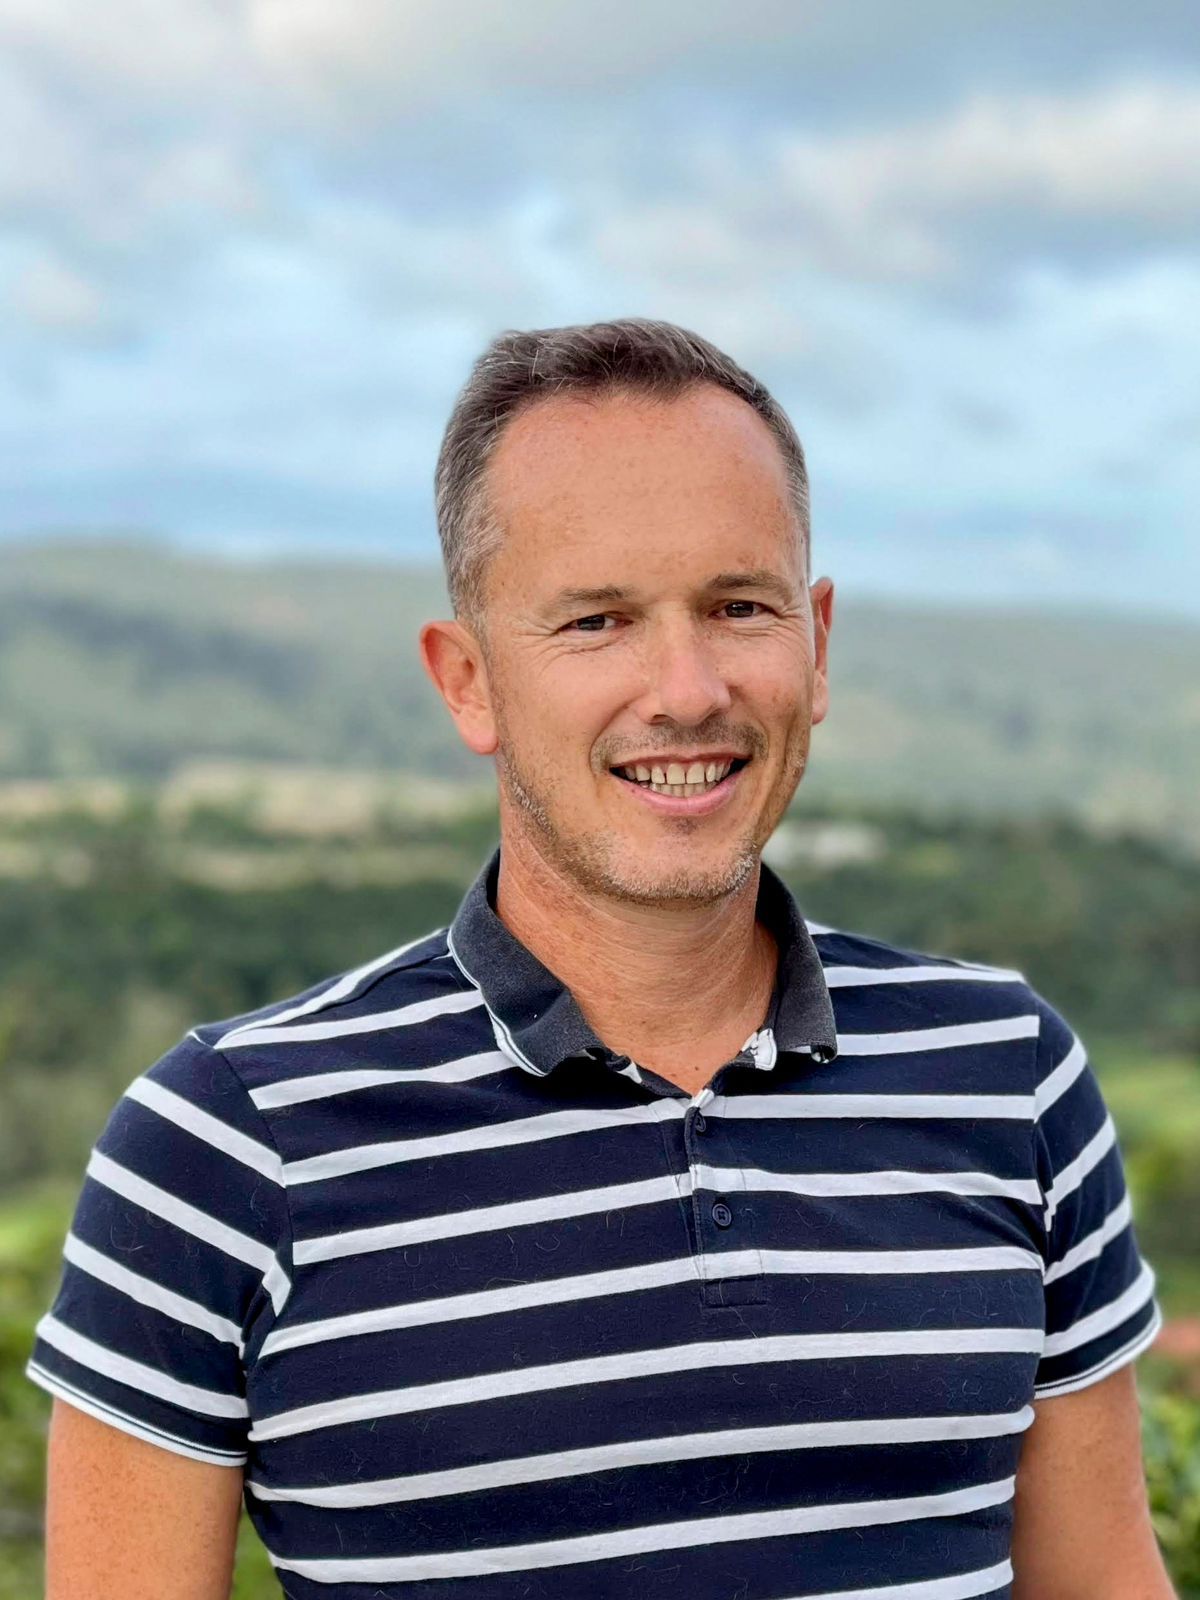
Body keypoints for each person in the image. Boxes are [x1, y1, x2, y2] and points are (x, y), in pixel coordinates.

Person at [30, 318, 1173, 1599]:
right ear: (467, 682)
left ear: (820, 644)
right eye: (597, 621)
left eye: (741, 606)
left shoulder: (1004, 1075)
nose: (685, 689)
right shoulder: (228, 1144)